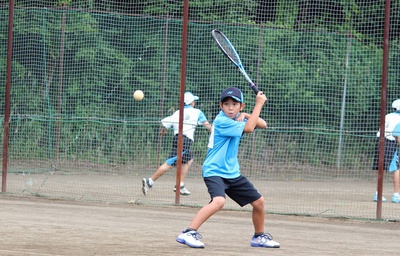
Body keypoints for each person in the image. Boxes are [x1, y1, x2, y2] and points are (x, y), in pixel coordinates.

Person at [176, 87, 280, 249]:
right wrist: (258, 104)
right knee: (218, 201)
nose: (230, 108)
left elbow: (263, 124)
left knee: (259, 202)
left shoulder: (238, 118)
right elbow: (250, 128)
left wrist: (245, 115)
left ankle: (259, 237)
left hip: (232, 172)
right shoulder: (222, 121)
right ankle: (189, 232)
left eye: (234, 104)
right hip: (214, 171)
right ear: (221, 106)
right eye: (226, 104)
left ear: (241, 106)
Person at [142, 92, 212, 196]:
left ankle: (180, 185)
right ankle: (149, 182)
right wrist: (216, 132)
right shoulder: (197, 112)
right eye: (193, 101)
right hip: (184, 141)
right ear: (191, 102)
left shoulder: (178, 112)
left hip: (178, 139)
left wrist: (164, 130)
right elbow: (207, 125)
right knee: (169, 163)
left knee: (189, 159)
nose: (194, 102)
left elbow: (166, 122)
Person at [372, 99, 400, 203]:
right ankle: (396, 195)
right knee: (396, 168)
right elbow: (397, 136)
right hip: (390, 142)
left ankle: (378, 194)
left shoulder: (387, 115)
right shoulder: (399, 118)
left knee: (381, 168)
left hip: (379, 141)